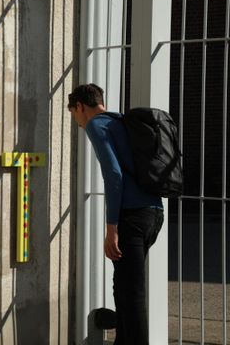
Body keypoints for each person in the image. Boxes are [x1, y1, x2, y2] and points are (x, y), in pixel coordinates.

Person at [67, 84, 164, 344]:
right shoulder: (120, 122)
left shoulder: (96, 125)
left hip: (132, 217)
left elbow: (113, 175)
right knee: (122, 287)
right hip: (154, 213)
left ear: (80, 107)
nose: (77, 122)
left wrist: (112, 229)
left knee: (132, 294)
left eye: (74, 115)